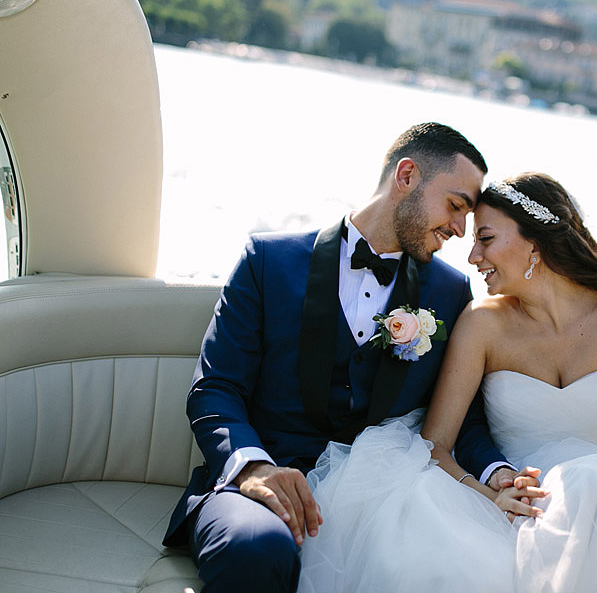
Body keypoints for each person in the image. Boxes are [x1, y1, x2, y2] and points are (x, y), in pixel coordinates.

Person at [299, 172, 597, 592]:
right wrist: (491, 496)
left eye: (485, 238)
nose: (473, 254)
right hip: (514, 509)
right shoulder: (482, 324)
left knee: (591, 482)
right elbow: (435, 444)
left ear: (535, 244)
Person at [162, 123, 534, 592]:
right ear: (406, 176)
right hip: (263, 481)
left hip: (378, 499)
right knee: (255, 548)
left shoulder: (449, 291)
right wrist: (253, 467)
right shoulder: (268, 260)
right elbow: (215, 389)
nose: (460, 231)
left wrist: (498, 474)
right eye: (456, 206)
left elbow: (463, 416)